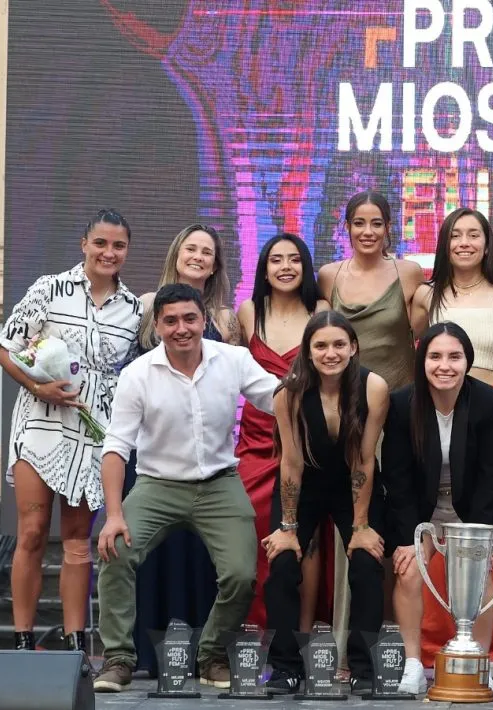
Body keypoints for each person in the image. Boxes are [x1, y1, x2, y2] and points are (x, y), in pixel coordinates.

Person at [91, 284, 278, 693]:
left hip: (219, 484)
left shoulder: (233, 359)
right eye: (171, 320)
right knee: (115, 552)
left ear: (204, 320)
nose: (181, 328)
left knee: (242, 575)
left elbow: (277, 398)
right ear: (157, 325)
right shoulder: (137, 375)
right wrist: (115, 515)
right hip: (157, 485)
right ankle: (119, 659)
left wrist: (325, 391)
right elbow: (116, 447)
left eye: (189, 318)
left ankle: (210, 655)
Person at [0, 208, 142, 654]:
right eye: (100, 243)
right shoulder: (49, 288)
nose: (108, 252)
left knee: (79, 541)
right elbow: (6, 349)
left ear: (126, 251)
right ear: (84, 244)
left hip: (92, 437)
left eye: (118, 246)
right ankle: (23, 644)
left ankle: (75, 646)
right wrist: (39, 385)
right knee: (34, 531)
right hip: (41, 425)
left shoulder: (133, 310)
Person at [125, 223, 240, 674]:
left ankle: (202, 653)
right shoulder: (148, 306)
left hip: (206, 456)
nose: (197, 256)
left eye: (206, 252)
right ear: (176, 254)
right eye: (190, 248)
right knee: (152, 554)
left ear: (216, 264)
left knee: (202, 555)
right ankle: (145, 655)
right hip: (153, 453)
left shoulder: (227, 319)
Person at [382, 322, 493, 695]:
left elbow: (492, 474)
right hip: (420, 508)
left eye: (454, 356)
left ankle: (478, 660)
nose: (445, 365)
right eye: (435, 356)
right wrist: (410, 536)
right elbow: (398, 475)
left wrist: (480, 538)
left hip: (471, 508)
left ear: (467, 360)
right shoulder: (402, 403)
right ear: (422, 361)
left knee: (479, 575)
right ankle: (410, 663)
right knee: (408, 571)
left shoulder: (487, 400)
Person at [262, 312, 388, 696]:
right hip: (306, 484)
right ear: (308, 351)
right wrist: (287, 528)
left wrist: (362, 526)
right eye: (320, 345)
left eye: (338, 344)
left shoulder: (374, 387)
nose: (330, 353)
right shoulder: (288, 393)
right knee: (282, 564)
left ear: (353, 348)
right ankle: (285, 668)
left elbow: (365, 460)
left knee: (367, 562)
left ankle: (363, 668)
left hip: (353, 482)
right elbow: (291, 462)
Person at [236, 233, 329, 629]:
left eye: (294, 259)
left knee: (306, 538)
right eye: (277, 259)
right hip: (255, 438)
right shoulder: (248, 311)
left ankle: (304, 631)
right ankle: (254, 628)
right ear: (264, 268)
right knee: (251, 530)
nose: (286, 267)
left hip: (307, 436)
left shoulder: (321, 308)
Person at [318, 190, 422, 390]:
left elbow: (424, 331)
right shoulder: (328, 275)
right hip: (345, 398)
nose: (368, 232)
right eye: (359, 223)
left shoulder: (409, 273)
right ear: (347, 227)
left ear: (388, 227)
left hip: (400, 397)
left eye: (376, 223)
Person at [410, 207, 493, 387]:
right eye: (455, 236)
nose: (464, 243)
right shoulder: (426, 294)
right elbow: (405, 349)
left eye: (473, 235)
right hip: (440, 402)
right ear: (444, 246)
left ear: (487, 246)